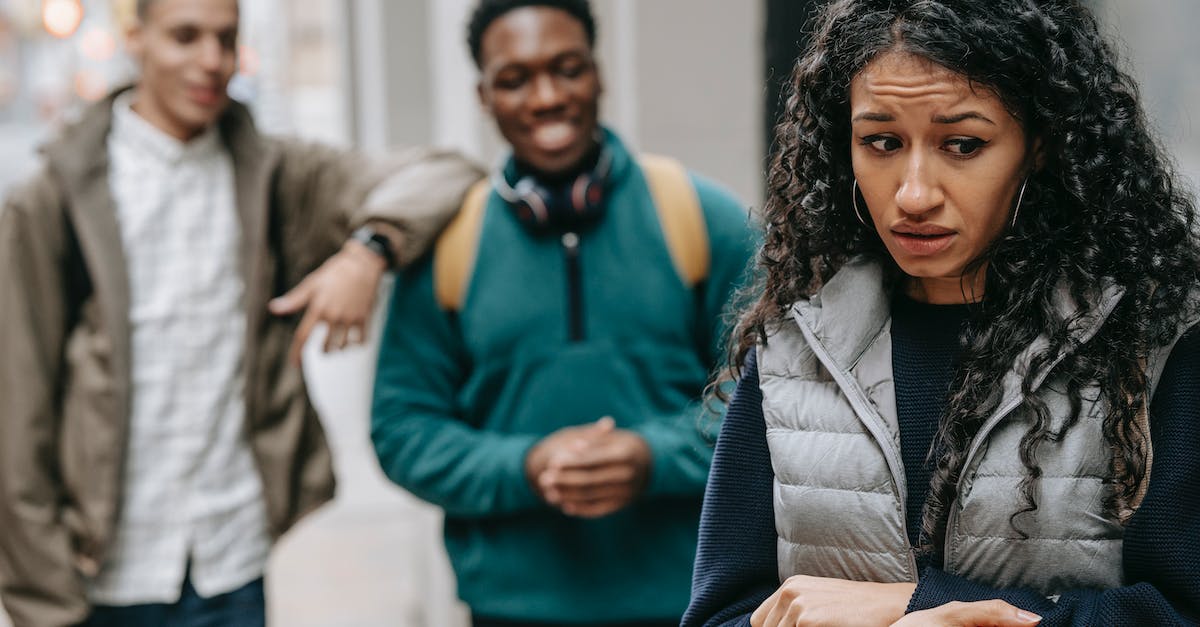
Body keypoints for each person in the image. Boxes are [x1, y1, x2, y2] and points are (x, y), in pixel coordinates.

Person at [682, 0, 1200, 626]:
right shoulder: (795, 349)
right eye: (881, 142)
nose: (914, 194)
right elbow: (721, 615)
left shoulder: (1151, 341)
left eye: (962, 144)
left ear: (1038, 145)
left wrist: (921, 607)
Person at [0, 0, 481, 625]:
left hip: (232, 562)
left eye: (226, 39)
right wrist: (44, 600)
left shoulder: (274, 173)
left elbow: (447, 172)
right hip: (105, 574)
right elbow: (18, 413)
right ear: (136, 38)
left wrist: (369, 251)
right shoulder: (54, 195)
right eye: (185, 37)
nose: (211, 61)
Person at [369, 1, 756, 625]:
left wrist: (652, 458)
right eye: (514, 79)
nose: (546, 97)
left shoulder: (704, 218)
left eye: (567, 68)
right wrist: (525, 467)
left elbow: (771, 398)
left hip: (692, 603)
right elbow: (403, 428)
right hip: (510, 610)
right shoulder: (447, 244)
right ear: (483, 96)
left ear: (598, 74)